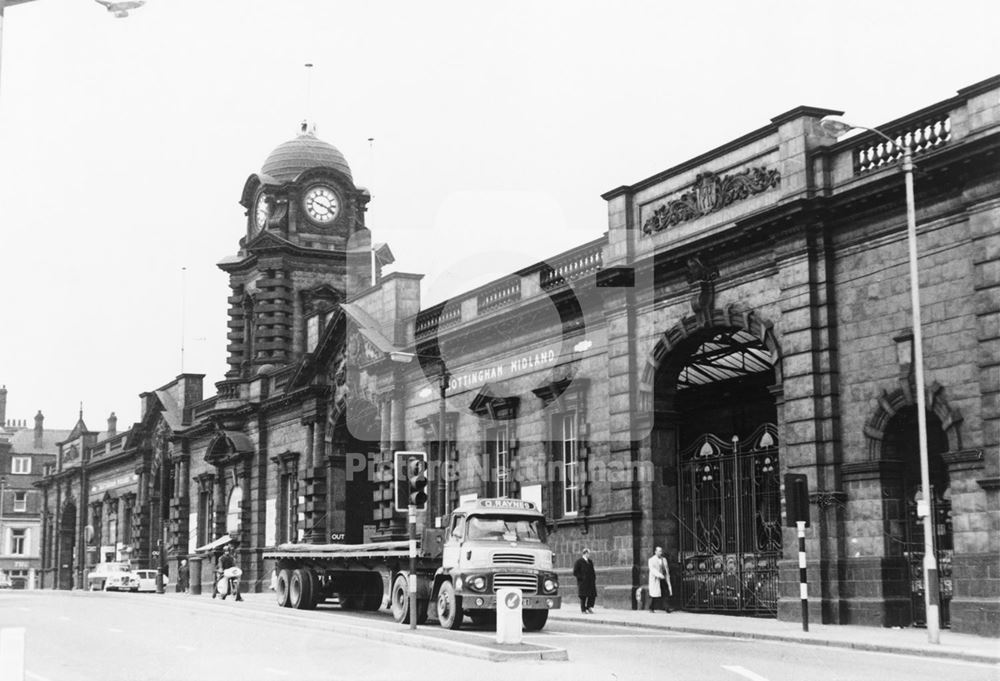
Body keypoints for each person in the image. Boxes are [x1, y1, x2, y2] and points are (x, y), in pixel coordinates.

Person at [647, 546, 672, 613]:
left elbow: (666, 569)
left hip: (663, 578)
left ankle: (667, 608)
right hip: (656, 579)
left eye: (661, 551)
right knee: (654, 595)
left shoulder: (664, 559)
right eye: (659, 551)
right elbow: (652, 570)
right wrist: (660, 575)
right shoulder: (651, 560)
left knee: (665, 592)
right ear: (655, 552)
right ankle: (651, 607)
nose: (660, 552)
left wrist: (666, 575)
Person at [572, 547, 597, 614]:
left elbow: (592, 571)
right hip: (583, 582)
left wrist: (594, 578)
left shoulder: (590, 561)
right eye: (588, 553)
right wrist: (581, 578)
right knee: (583, 596)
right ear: (585, 553)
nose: (589, 555)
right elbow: (575, 572)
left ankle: (589, 607)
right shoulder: (579, 561)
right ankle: (583, 609)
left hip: (590, 582)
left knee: (592, 595)